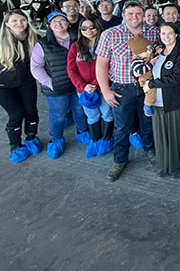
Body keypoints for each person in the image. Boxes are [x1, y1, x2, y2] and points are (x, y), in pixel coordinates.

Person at [95, 0, 159, 181]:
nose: (135, 17)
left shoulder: (153, 33)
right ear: (123, 15)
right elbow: (101, 64)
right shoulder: (110, 34)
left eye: (138, 13)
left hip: (147, 87)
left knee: (148, 122)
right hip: (122, 88)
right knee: (122, 126)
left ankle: (150, 150)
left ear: (143, 15)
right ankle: (120, 159)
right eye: (130, 14)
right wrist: (106, 91)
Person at [31, 11, 90, 159]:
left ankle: (82, 132)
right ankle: (56, 140)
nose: (59, 25)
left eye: (62, 21)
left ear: (68, 23)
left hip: (77, 84)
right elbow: (36, 67)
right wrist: (48, 82)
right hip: (56, 87)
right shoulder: (43, 43)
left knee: (80, 109)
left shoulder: (78, 39)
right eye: (55, 22)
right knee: (58, 115)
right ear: (50, 26)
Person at [143, 22, 180, 179]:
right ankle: (169, 162)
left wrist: (152, 84)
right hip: (158, 102)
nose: (166, 36)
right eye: (163, 34)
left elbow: (176, 77)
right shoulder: (158, 53)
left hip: (176, 100)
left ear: (175, 34)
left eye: (169, 33)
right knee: (163, 135)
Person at [67, 16, 114, 158]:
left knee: (107, 113)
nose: (88, 30)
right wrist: (82, 86)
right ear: (80, 30)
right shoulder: (75, 46)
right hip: (84, 90)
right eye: (84, 28)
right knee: (92, 116)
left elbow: (111, 66)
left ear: (98, 27)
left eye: (92, 27)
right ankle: (95, 140)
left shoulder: (106, 44)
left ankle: (107, 140)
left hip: (103, 87)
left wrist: (95, 83)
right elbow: (71, 69)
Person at [0, 9, 41, 163]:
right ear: (7, 24)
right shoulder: (1, 41)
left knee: (31, 111)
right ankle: (15, 145)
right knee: (16, 114)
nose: (19, 24)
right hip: (3, 85)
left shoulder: (34, 38)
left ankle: (31, 137)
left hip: (26, 82)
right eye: (15, 21)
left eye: (22, 20)